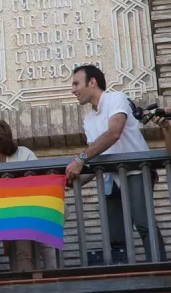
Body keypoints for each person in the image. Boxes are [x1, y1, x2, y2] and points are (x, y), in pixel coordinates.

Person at [65, 65, 166, 262]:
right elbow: (94, 160)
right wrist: (67, 181)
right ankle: (124, 279)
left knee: (144, 223)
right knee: (115, 236)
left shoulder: (115, 99)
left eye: (76, 83)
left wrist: (80, 159)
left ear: (92, 82)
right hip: (111, 178)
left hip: (136, 172)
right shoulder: (88, 119)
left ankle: (160, 272)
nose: (73, 90)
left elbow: (113, 133)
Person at [0, 121, 56, 271]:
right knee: (22, 255)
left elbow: (38, 183)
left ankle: (59, 288)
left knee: (50, 253)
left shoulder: (23, 153)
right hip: (18, 218)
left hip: (40, 212)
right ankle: (27, 290)